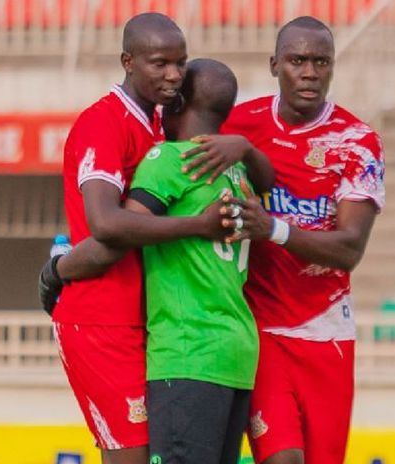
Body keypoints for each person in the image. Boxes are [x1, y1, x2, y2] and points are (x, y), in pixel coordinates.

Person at [44, 13, 257, 464]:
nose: (174, 75)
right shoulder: (103, 123)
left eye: (180, 64)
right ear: (128, 61)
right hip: (100, 319)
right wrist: (198, 226)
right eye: (160, 64)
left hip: (148, 323)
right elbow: (105, 224)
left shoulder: (159, 129)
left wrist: (244, 146)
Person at [212, 16, 386, 464]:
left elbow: (349, 249)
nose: (309, 72)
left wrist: (273, 228)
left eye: (321, 62)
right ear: (275, 65)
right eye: (297, 61)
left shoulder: (356, 142)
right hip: (261, 330)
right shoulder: (238, 126)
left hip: (325, 330)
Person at [129, 58, 259, 464]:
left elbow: (123, 228)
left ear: (178, 100)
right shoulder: (238, 174)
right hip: (236, 352)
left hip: (187, 351)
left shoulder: (170, 159)